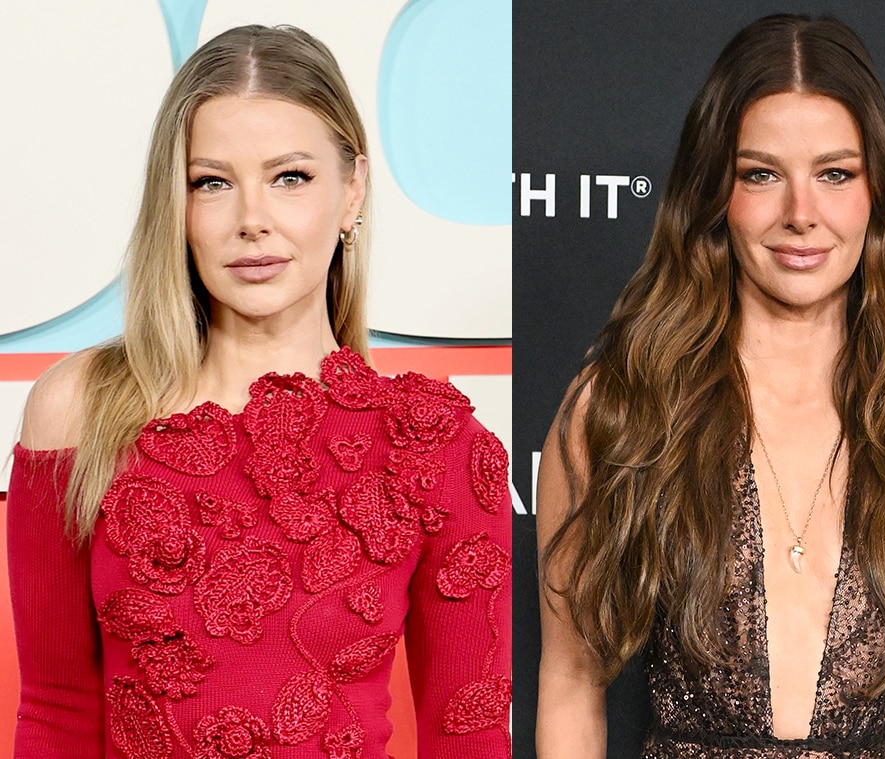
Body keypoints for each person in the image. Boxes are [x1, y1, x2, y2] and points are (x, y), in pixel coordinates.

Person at [7, 24, 511, 759]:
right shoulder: (80, 408)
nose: (252, 221)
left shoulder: (437, 447)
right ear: (176, 206)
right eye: (212, 182)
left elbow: (467, 737)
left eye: (290, 177)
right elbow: (56, 713)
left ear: (352, 190)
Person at [536, 14, 885, 759]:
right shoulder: (619, 409)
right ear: (715, 191)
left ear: (877, 192)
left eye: (835, 174)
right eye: (761, 174)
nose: (800, 215)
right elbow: (570, 684)